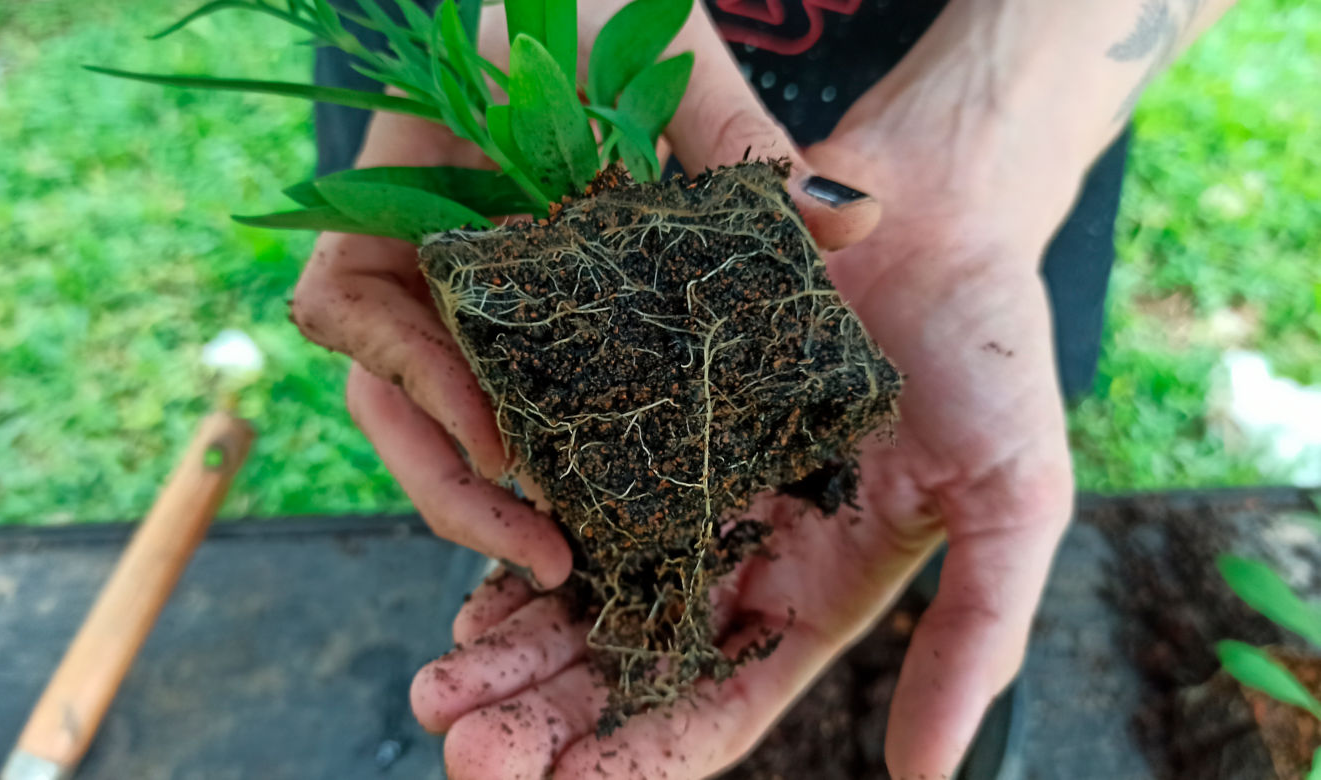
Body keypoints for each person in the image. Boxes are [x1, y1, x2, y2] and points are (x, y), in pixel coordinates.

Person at [294, 1, 1236, 776]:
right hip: (459, 65)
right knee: (504, 447)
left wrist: (982, 140)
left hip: (1015, 54)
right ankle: (590, 549)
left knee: (900, 511)